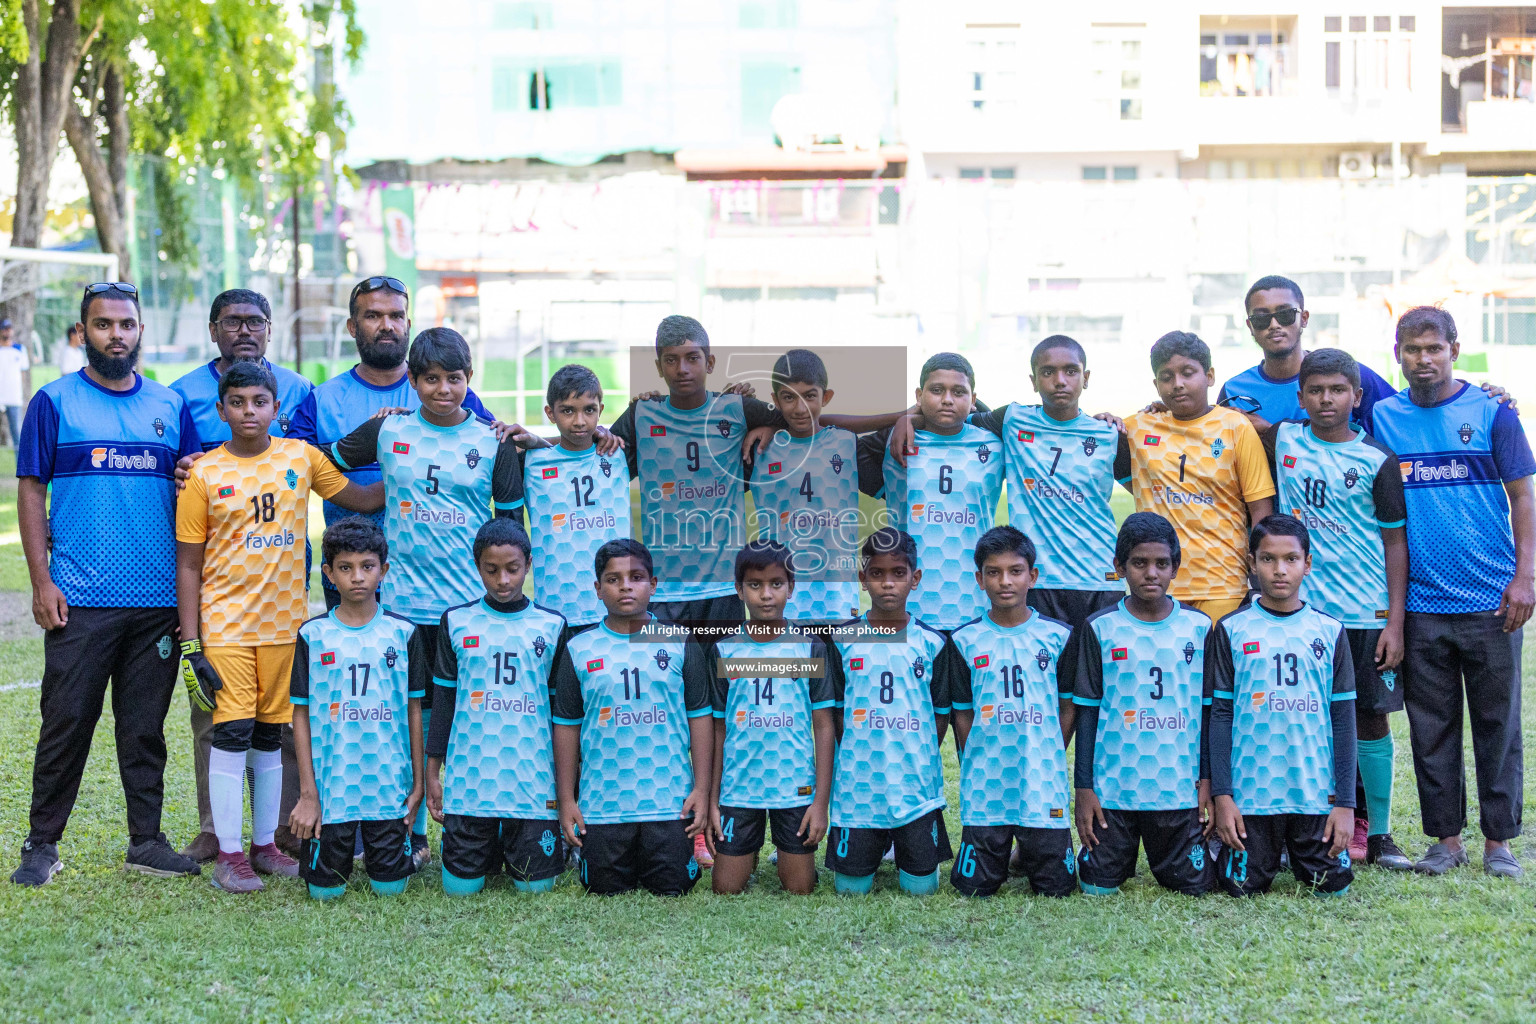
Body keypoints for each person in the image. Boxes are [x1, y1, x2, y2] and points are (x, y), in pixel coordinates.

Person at [11, 282, 203, 886]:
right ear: (83, 332)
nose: (115, 335)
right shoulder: (54, 401)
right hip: (80, 598)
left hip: (156, 602)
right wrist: (41, 582)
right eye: (102, 324)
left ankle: (146, 841)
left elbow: (192, 491)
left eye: (125, 324)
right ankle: (42, 844)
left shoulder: (170, 406)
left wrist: (186, 599)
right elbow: (30, 491)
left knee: (144, 729)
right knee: (65, 723)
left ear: (140, 331)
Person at [175, 361, 384, 893]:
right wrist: (191, 640)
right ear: (221, 410)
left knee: (271, 735)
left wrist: (413, 466)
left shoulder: (301, 457)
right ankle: (228, 855)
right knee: (232, 733)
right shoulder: (204, 475)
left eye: (259, 402)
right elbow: (189, 565)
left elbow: (357, 498)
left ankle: (264, 845)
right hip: (225, 627)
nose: (249, 412)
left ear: (275, 409)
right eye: (238, 402)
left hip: (287, 627)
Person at [328, 327, 524, 867]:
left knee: (469, 720)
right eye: (431, 379)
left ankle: (477, 825)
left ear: (468, 380)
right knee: (404, 721)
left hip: (467, 610)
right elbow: (323, 464)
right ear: (411, 382)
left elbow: (510, 530)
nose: (443, 389)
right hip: (401, 608)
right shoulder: (388, 431)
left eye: (455, 379)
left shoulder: (492, 442)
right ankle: (409, 834)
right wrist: (365, 500)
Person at [1370, 306, 1535, 879]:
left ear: (1453, 350)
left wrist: (1525, 577)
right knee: (1430, 726)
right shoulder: (1382, 416)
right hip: (1419, 604)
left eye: (1433, 348)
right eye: (1412, 349)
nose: (1423, 360)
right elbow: (1319, 390)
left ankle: (1499, 843)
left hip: (1493, 601)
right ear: (1397, 354)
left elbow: (1523, 497)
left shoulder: (1491, 411)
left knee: (1498, 723)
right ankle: (1446, 840)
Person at [170, 287, 315, 864]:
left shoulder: (298, 389)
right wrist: (184, 467)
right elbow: (174, 467)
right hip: (222, 584)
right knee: (217, 716)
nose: (245, 331)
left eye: (256, 321)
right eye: (232, 322)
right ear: (213, 330)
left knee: (278, 718)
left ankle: (276, 832)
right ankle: (215, 828)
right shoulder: (182, 394)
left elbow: (315, 459)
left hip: (280, 586)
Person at [1259, 348, 1411, 870]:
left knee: (1368, 721)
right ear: (1299, 397)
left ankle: (1381, 831)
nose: (1327, 399)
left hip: (1365, 616)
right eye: (1316, 390)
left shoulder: (1376, 460)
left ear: (1357, 396)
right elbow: (1221, 421)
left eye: (1338, 390)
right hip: (1299, 616)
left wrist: (1395, 621)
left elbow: (1395, 543)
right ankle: (1298, 824)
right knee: (1299, 720)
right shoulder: (1283, 439)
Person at [285, 276, 495, 610]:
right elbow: (289, 469)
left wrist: (584, 438)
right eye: (373, 316)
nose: (387, 325)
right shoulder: (322, 399)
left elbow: (497, 447)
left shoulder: (447, 392)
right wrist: (368, 495)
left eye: (396, 316)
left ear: (408, 324)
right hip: (351, 573)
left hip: (439, 575)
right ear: (353, 327)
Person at [551, 539, 714, 896]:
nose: (625, 585)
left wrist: (701, 789)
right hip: (604, 805)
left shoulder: (680, 642)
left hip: (669, 802)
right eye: (613, 579)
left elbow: (700, 718)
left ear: (653, 585)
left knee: (673, 888)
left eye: (636, 577)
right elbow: (566, 727)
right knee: (604, 889)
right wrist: (567, 799)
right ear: (597, 589)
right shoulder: (579, 649)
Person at [1207, 515, 1358, 897]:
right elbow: (1220, 715)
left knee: (1332, 888)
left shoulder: (1330, 631)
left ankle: (1300, 849)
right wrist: (1222, 796)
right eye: (1268, 559)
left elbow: (1343, 719)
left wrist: (1345, 804)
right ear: (1252, 563)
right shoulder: (1231, 629)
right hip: (1252, 797)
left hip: (1314, 796)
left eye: (1291, 559)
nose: (1279, 570)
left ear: (1307, 563)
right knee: (1240, 887)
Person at [606, 315, 785, 628]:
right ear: (659, 367)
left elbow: (802, 418)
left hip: (724, 587)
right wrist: (537, 442)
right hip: (665, 588)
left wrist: (770, 424)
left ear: (710, 362)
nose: (682, 369)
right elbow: (593, 449)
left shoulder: (736, 409)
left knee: (720, 675)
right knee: (673, 677)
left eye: (692, 358)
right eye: (671, 360)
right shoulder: (642, 413)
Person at [1071, 512, 1214, 896]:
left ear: (1175, 568)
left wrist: (1207, 779)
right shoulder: (1099, 627)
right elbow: (1087, 711)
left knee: (1196, 888)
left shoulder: (1199, 628)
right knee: (1096, 888)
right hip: (1114, 792)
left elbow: (1206, 710)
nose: (1151, 573)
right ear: (1119, 567)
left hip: (1178, 790)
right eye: (1139, 563)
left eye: (1161, 564)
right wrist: (1083, 788)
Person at [427, 518, 570, 895]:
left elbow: (564, 715)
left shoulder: (552, 625)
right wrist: (432, 771)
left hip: (533, 781)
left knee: (534, 891)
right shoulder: (456, 622)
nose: (503, 580)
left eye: (513, 569)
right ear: (477, 567)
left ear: (529, 565)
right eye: (491, 570)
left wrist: (568, 786)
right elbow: (443, 701)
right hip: (471, 781)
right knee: (460, 891)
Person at [289, 518, 426, 899]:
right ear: (329, 573)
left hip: (388, 789)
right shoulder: (312, 636)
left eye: (367, 566)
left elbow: (414, 711)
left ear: (384, 570)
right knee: (324, 893)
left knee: (391, 889)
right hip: (331, 793)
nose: (357, 577)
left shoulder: (404, 633)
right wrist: (308, 793)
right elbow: (300, 714)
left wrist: (416, 784)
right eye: (345, 568)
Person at [941, 525, 1076, 898]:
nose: (1005, 581)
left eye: (1015, 571)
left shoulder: (1059, 636)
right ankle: (1005, 853)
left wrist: (1050, 747)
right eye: (994, 572)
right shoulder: (964, 640)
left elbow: (1068, 706)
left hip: (1042, 782)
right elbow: (962, 713)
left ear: (1032, 576)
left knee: (1057, 889)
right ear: (979, 579)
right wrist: (975, 756)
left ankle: (1029, 852)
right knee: (974, 889)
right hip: (987, 784)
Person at [824, 528, 953, 895]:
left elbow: (939, 713)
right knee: (851, 890)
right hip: (858, 787)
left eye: (898, 573)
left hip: (914, 786)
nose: (888, 584)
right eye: (877, 574)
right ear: (863, 579)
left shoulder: (934, 643)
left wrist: (915, 745)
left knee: (921, 890)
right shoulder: (841, 640)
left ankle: (906, 844)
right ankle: (870, 844)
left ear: (915, 579)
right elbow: (835, 713)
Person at [1115, 332, 1275, 622]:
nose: (1177, 384)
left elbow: (1261, 512)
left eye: (1188, 373)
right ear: (1156, 385)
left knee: (1214, 667)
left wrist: (1261, 579)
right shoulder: (1137, 427)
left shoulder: (1235, 427)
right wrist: (1104, 419)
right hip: (1157, 584)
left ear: (1210, 376)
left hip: (1222, 583)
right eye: (1166, 377)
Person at [708, 541, 836, 895]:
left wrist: (820, 802)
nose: (766, 595)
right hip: (739, 786)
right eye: (755, 585)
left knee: (800, 888)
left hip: (793, 787)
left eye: (776, 584)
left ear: (791, 587)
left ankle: (785, 852)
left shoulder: (810, 647)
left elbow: (824, 727)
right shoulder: (724, 650)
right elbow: (718, 729)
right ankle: (745, 853)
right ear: (738, 589)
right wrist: (713, 801)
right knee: (725, 888)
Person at [857, 353, 1004, 632]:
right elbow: (827, 433)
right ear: (919, 395)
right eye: (936, 390)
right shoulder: (895, 441)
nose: (947, 399)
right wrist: (904, 417)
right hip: (907, 607)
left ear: (973, 399)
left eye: (959, 392)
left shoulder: (996, 444)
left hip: (975, 605)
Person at [746, 349, 862, 624]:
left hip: (839, 598)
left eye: (810, 396)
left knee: (835, 667)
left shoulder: (848, 444)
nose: (800, 409)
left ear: (827, 397)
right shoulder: (761, 448)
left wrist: (907, 417)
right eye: (788, 398)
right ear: (775, 400)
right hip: (782, 598)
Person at [520, 365, 631, 630]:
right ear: (550, 413)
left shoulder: (618, 451)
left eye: (589, 410)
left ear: (600, 410)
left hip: (617, 605)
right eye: (568, 410)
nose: (580, 421)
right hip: (556, 610)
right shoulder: (528, 461)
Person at [1219, 275, 1396, 431]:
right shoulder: (1233, 391)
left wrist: (1269, 431)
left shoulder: (1348, 375)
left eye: (1285, 314)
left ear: (1304, 318)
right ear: (1250, 326)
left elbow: (1401, 416)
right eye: (1261, 318)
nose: (1274, 324)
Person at [0, 316, 32, 447]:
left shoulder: (20, 350)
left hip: (14, 398)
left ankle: (20, 466)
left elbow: (23, 373)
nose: (7, 332)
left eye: (9, 329)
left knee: (17, 435)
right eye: (4, 329)